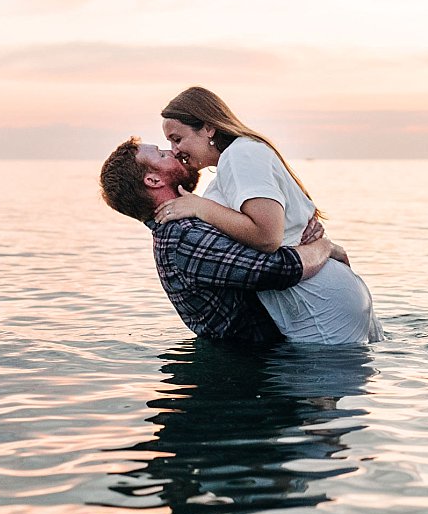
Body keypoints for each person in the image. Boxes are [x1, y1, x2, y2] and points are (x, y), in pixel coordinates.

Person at [99, 137, 428, 344]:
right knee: (396, 359)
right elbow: (275, 269)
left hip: (290, 341)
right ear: (154, 178)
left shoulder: (192, 219)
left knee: (396, 353)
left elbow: (260, 243)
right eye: (159, 152)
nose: (170, 149)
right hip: (269, 358)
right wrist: (326, 248)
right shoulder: (181, 235)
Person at [155, 86, 382, 344]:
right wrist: (325, 247)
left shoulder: (241, 155)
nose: (174, 150)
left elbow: (267, 236)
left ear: (208, 128)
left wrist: (200, 208)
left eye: (177, 138)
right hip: (321, 297)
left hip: (319, 303)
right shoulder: (233, 163)